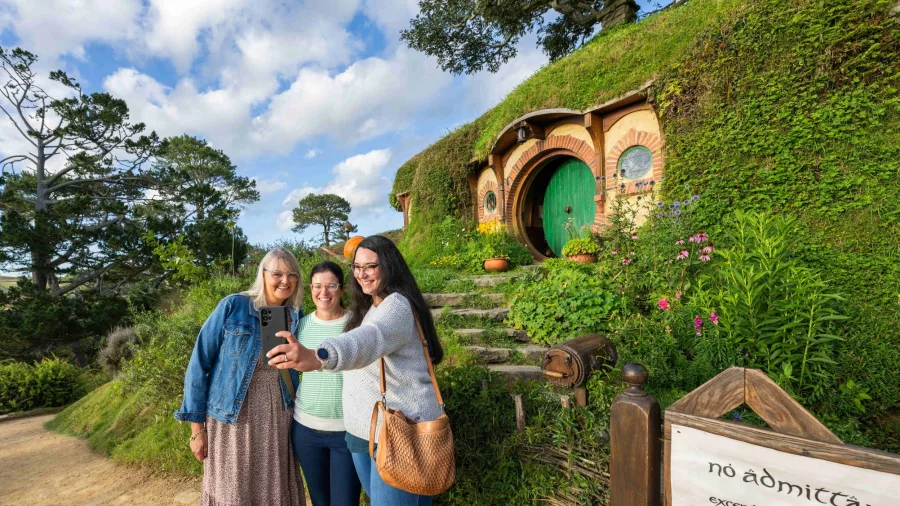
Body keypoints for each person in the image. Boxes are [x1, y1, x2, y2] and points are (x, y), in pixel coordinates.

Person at [268, 235, 444, 506]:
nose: (362, 274)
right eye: (357, 267)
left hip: (396, 433)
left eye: (370, 266)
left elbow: (370, 338)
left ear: (388, 265)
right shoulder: (372, 307)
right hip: (366, 432)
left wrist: (319, 356)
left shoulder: (396, 305)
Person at [174, 247, 306, 506]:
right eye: (277, 273)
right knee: (232, 488)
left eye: (292, 275)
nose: (285, 280)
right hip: (232, 416)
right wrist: (196, 430)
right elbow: (199, 363)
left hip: (278, 416)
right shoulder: (234, 306)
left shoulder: (293, 316)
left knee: (273, 486)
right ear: (263, 274)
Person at [291, 260, 362, 506]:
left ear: (342, 289)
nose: (324, 293)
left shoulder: (357, 325)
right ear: (309, 288)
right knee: (320, 501)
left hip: (348, 431)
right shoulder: (300, 325)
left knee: (345, 502)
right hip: (306, 430)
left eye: (331, 286)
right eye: (317, 286)